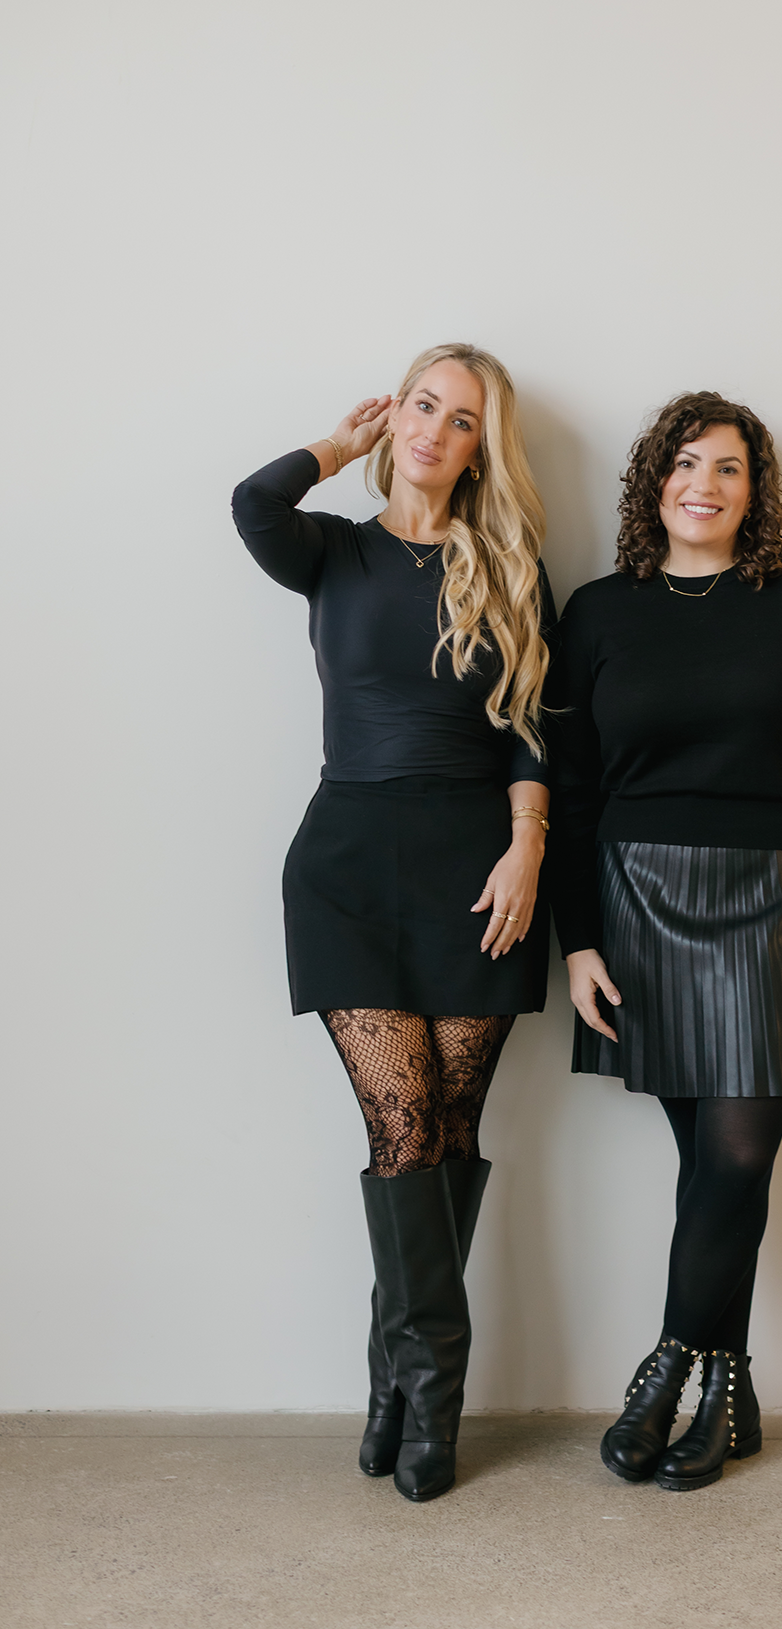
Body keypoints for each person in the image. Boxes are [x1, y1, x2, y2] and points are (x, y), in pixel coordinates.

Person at [547, 392, 782, 1492]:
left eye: (728, 467)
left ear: (756, 491)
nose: (703, 484)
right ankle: (730, 1393)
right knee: (713, 1170)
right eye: (684, 462)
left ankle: (664, 1370)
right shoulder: (597, 612)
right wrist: (579, 940)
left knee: (736, 1158)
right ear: (652, 480)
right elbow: (569, 788)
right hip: (641, 901)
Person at [232, 343, 554, 1503]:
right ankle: (435, 1397)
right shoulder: (333, 549)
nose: (434, 429)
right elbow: (253, 502)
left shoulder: (509, 565)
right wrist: (340, 443)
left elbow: (536, 728)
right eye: (423, 405)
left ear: (482, 449)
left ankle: (396, 1387)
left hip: (478, 871)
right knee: (405, 1129)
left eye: (462, 419)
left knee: (451, 1134)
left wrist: (528, 845)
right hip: (348, 869)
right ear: (396, 415)